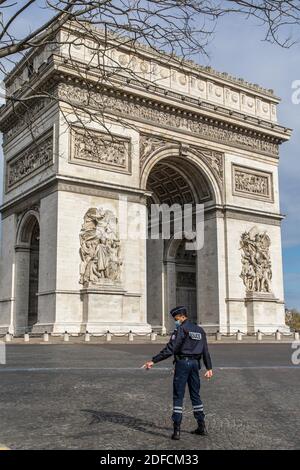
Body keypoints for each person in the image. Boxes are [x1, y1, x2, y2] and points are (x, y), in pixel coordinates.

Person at [142, 306, 213, 440]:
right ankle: (201, 426)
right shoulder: (200, 330)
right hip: (195, 365)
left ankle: (177, 430)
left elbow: (170, 349)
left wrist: (154, 361)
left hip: (182, 364)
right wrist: (209, 368)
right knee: (195, 395)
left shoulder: (181, 329)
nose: (175, 321)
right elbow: (205, 351)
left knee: (178, 395)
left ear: (181, 316)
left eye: (176, 319)